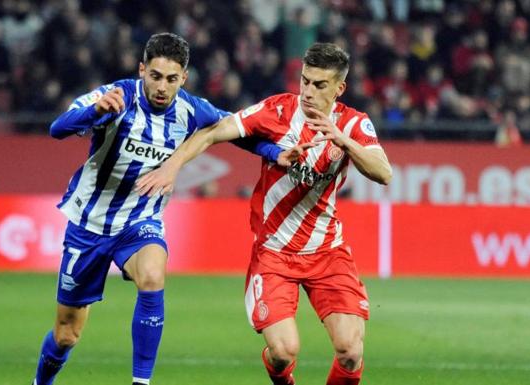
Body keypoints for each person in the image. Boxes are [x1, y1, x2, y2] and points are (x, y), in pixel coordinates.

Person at [31, 32, 308, 385]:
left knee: (152, 275)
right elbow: (57, 128)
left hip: (140, 221)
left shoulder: (192, 110)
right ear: (142, 70)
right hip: (89, 223)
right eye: (156, 76)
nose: (163, 87)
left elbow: (237, 130)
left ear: (184, 78)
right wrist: (94, 112)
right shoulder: (115, 96)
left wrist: (274, 153)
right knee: (66, 334)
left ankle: (141, 382)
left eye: (172, 79)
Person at [136, 42, 392, 385]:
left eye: (319, 85)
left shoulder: (354, 124)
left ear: (339, 88)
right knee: (284, 351)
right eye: (305, 81)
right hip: (275, 254)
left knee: (350, 352)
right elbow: (216, 131)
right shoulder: (278, 112)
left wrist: (343, 141)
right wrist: (173, 166)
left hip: (328, 252)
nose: (308, 91)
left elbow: (383, 173)